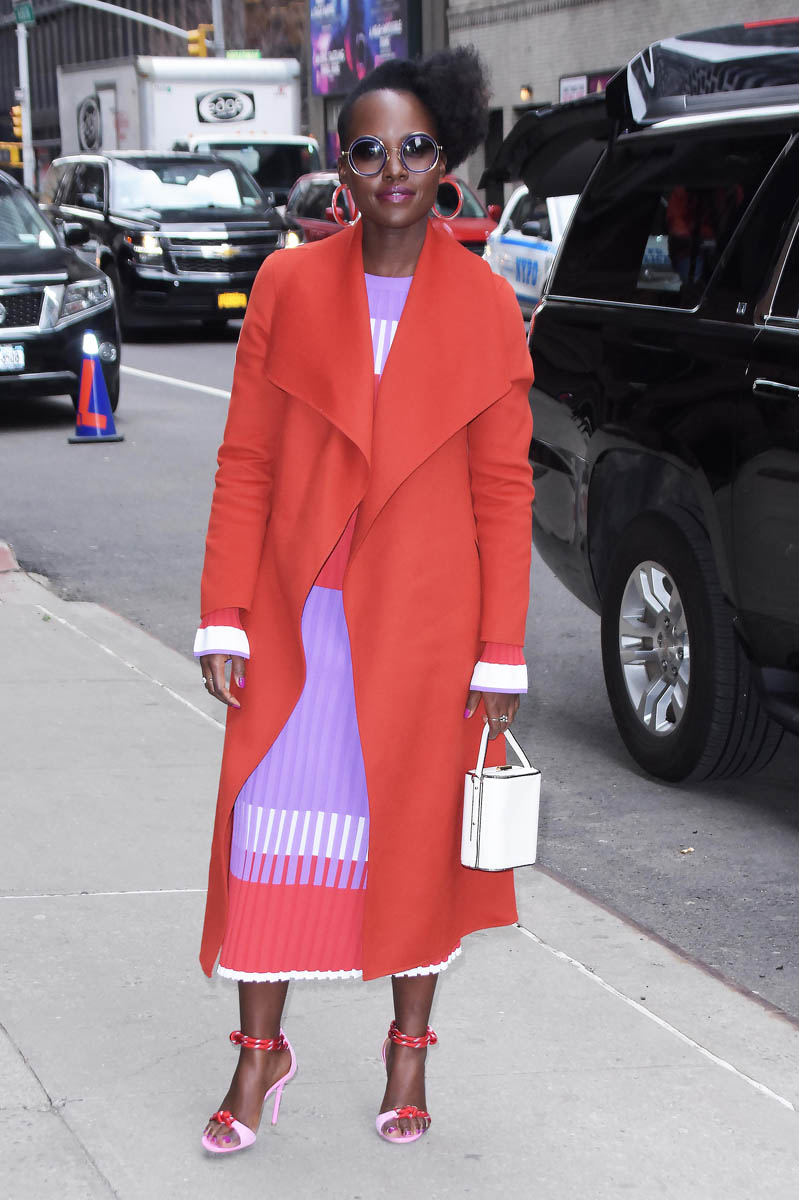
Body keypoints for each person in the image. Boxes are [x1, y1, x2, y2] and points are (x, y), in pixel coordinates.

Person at [194, 45, 534, 1153]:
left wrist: (499, 647)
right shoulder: (289, 285)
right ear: (341, 168)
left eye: (415, 147)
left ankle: (408, 1054)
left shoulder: (486, 306)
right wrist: (224, 609)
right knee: (267, 834)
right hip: (299, 617)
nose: (394, 169)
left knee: (410, 843)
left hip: (426, 628)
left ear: (447, 161)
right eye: (370, 150)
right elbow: (245, 460)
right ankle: (258, 1057)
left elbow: (502, 490)